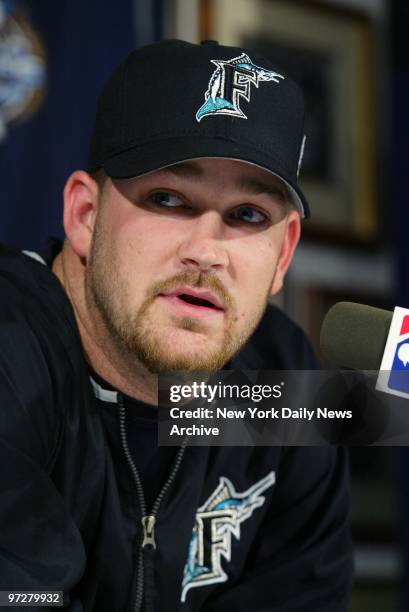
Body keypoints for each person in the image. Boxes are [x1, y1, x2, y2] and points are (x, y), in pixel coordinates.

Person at [0, 39, 353, 611]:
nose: (206, 251)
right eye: (168, 199)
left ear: (282, 256)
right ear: (85, 217)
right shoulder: (14, 354)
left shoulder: (285, 389)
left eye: (247, 215)